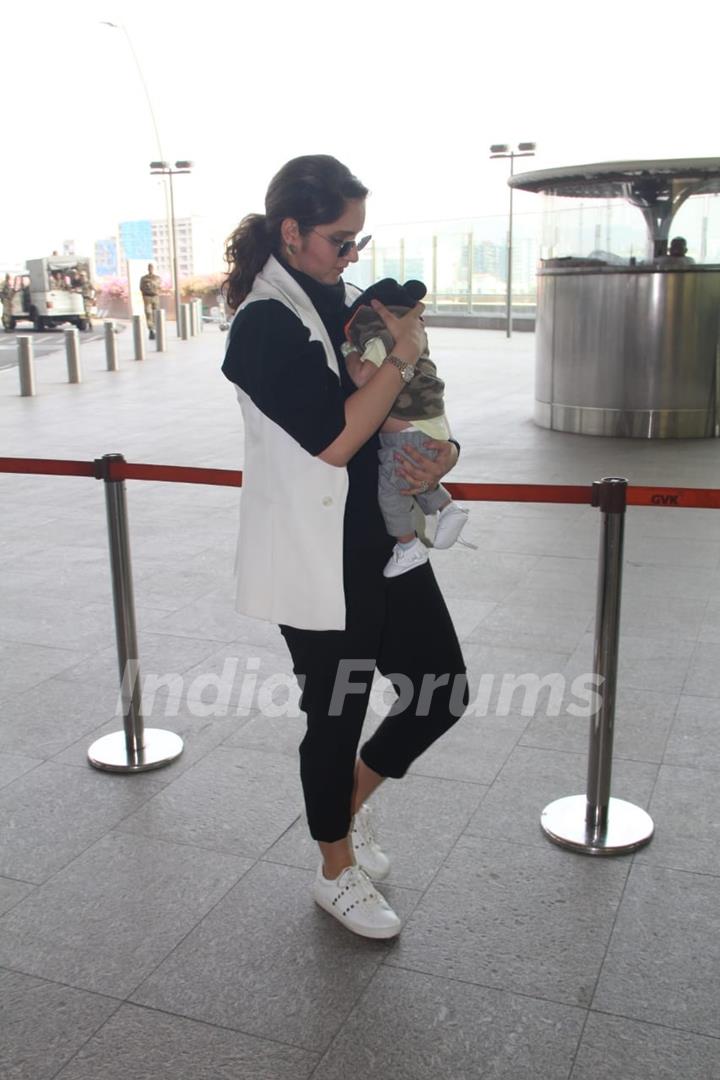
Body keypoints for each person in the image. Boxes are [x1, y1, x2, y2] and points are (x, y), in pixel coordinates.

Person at [221, 155, 468, 941]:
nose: (350, 256)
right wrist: (401, 354)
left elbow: (397, 413)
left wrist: (442, 454)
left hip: (385, 542)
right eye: (338, 239)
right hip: (317, 557)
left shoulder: (343, 301)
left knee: (440, 688)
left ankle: (344, 810)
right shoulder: (263, 323)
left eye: (358, 241)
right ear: (290, 232)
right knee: (337, 711)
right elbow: (334, 437)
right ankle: (334, 868)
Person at [342, 276, 469, 577]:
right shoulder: (410, 334)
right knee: (413, 481)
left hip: (404, 431)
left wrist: (349, 352)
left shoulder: (381, 338)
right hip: (423, 426)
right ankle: (449, 509)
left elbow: (362, 377)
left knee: (392, 492)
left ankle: (408, 547)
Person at [139, 262, 161, 339]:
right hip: (147, 297)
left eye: (151, 267)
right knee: (148, 314)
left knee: (156, 314)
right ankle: (151, 330)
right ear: (148, 268)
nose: (150, 269)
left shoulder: (157, 278)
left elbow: (159, 287)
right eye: (149, 267)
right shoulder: (144, 278)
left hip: (155, 297)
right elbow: (141, 287)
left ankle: (156, 329)